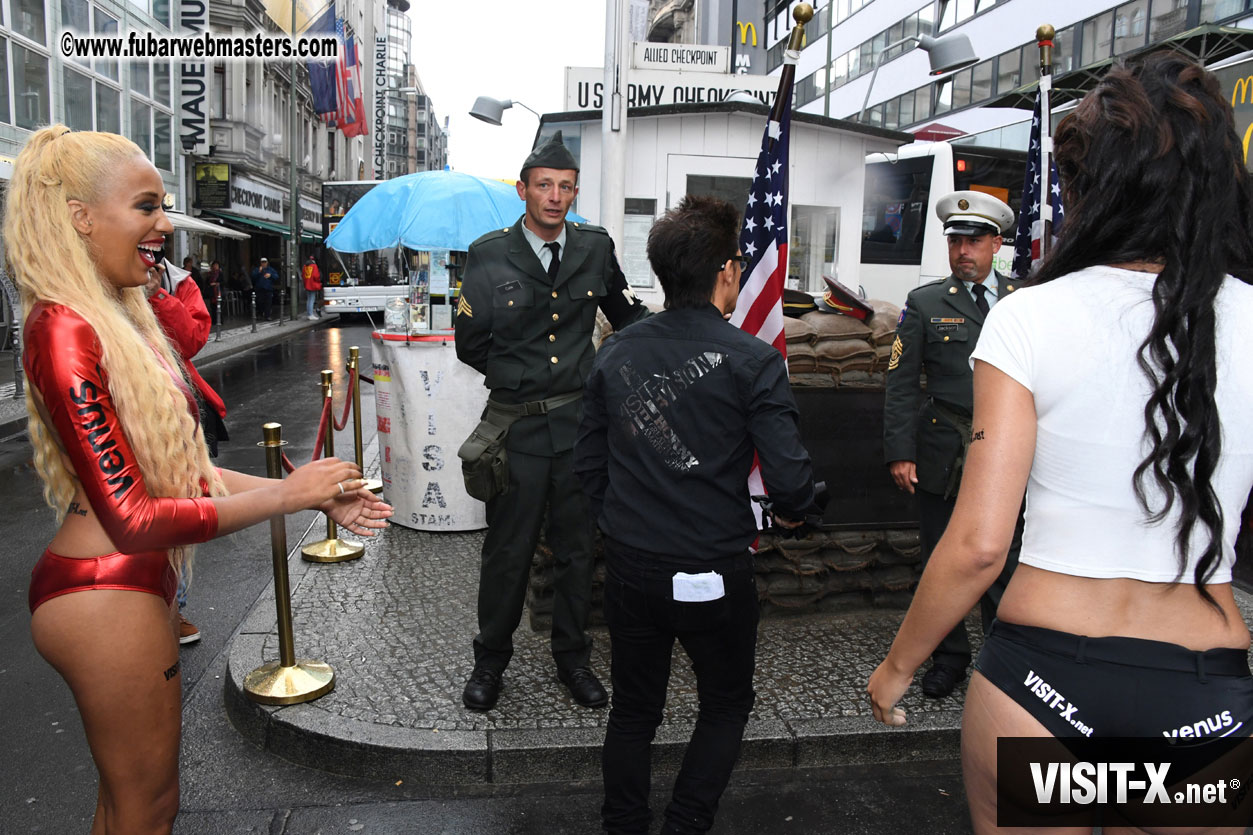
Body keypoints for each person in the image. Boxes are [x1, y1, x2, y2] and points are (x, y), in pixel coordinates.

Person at [867, 54, 1253, 830]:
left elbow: (979, 545)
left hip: (1043, 682)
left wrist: (897, 664)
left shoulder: (1029, 315)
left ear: (1088, 187)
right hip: (1200, 689)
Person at [7, 125, 394, 833]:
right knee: (147, 810)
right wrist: (289, 494)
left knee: (131, 807)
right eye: (146, 206)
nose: (164, 225)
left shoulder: (109, 316)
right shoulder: (64, 326)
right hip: (103, 594)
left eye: (162, 206)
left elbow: (190, 475)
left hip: (124, 589)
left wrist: (312, 496)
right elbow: (133, 517)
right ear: (80, 216)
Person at [575, 195, 816, 835]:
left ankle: (625, 825)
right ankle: (685, 824)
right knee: (726, 704)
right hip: (715, 566)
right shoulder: (754, 360)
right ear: (727, 271)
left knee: (633, 710)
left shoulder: (617, 352)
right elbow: (790, 480)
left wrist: (622, 523)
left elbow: (588, 466)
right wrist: (796, 511)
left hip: (631, 566)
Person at [453, 131, 650, 712]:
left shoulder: (595, 247)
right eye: (545, 185)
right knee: (508, 553)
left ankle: (573, 660)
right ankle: (490, 661)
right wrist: (523, 379)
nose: (556, 197)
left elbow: (625, 316)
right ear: (523, 190)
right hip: (515, 430)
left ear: (575, 192)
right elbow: (470, 344)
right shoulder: (490, 254)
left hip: (578, 428)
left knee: (577, 551)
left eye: (565, 187)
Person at [880, 189, 1023, 699]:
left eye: (974, 241)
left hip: (1006, 449)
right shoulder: (925, 303)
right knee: (941, 556)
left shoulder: (1022, 299)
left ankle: (1002, 659)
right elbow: (901, 383)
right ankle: (949, 658)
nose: (963, 251)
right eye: (955, 241)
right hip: (944, 449)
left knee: (1005, 557)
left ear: (996, 245)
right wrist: (901, 451)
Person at [147, 255, 230, 644]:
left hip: (173, 408)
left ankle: (173, 607)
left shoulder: (180, 282)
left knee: (178, 501)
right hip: (127, 399)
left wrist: (159, 296)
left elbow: (193, 340)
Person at [302, 255, 322, 320]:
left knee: (308, 299)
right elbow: (316, 276)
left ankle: (309, 314)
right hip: (312, 284)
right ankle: (311, 314)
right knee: (312, 299)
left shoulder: (305, 266)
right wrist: (319, 281)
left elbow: (303, 275)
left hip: (307, 284)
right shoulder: (314, 266)